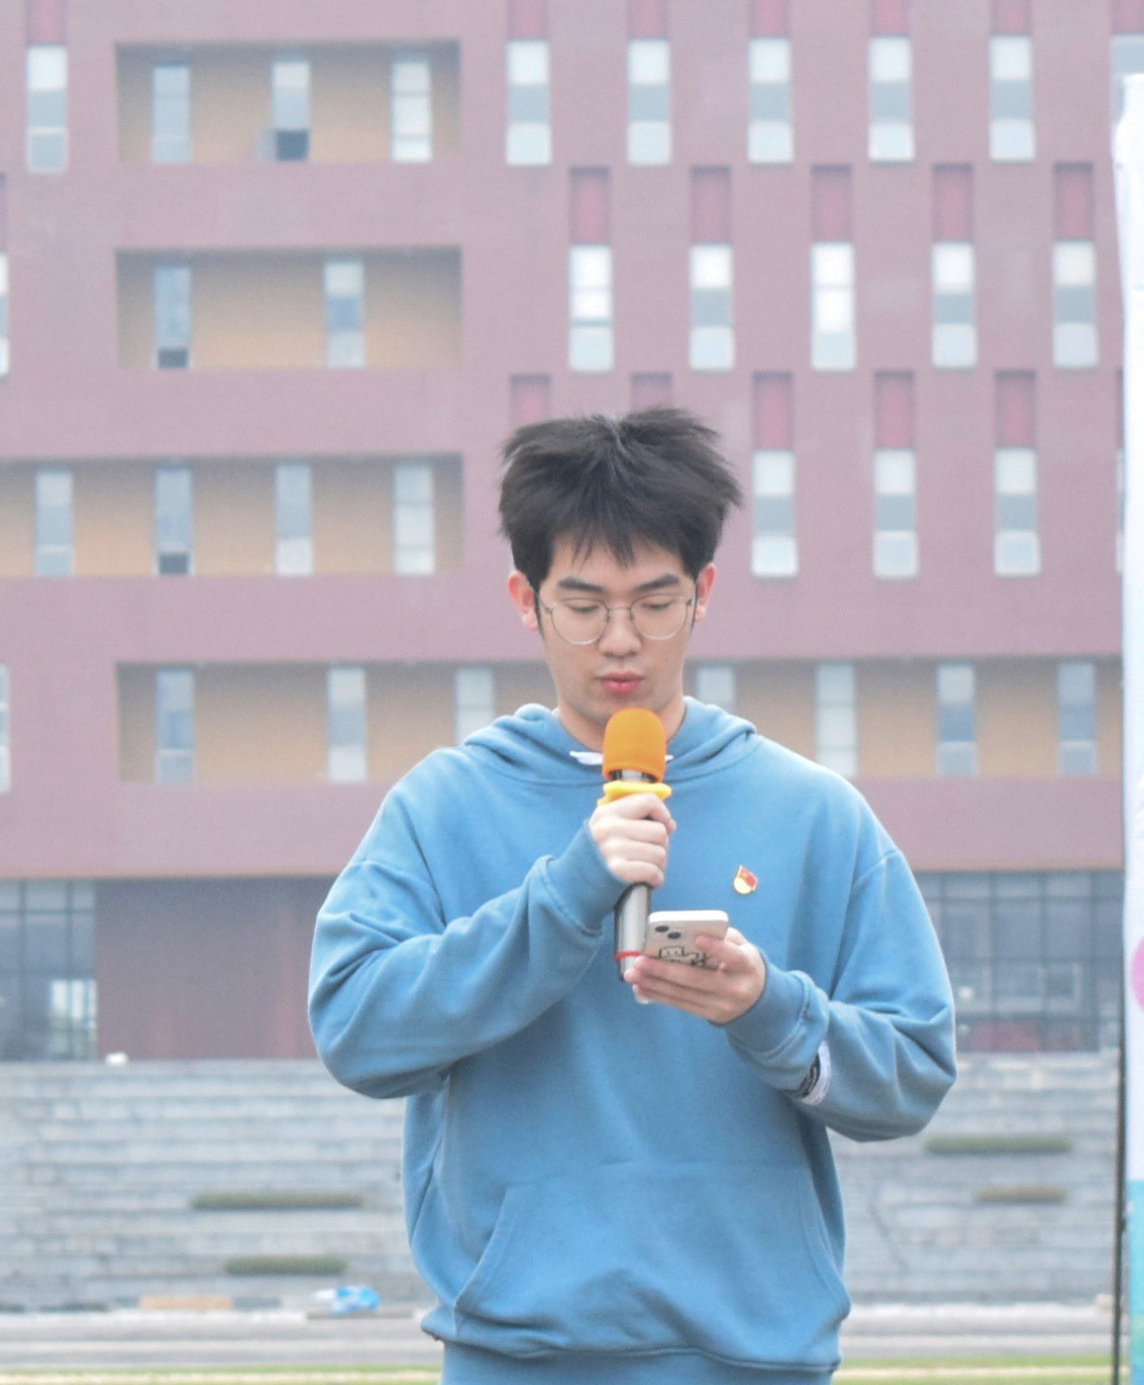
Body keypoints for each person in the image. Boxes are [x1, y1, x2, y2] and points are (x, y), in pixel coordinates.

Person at [308, 408, 956, 1385]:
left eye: (655, 602)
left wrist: (768, 1010)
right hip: (519, 1357)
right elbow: (354, 1027)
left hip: (757, 1357)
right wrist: (568, 894)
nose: (621, 640)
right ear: (525, 600)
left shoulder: (813, 813)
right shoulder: (446, 805)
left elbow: (913, 1073)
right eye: (584, 605)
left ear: (703, 593)